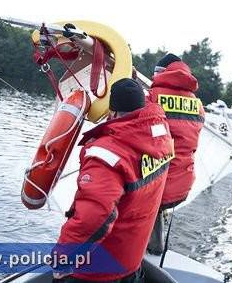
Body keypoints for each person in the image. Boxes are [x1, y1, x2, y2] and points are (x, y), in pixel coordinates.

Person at [54, 78, 174, 282]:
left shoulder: (108, 154)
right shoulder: (160, 139)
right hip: (130, 265)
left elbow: (92, 218)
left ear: (113, 112)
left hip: (97, 273)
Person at [145, 53, 204, 255]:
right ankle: (156, 247)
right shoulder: (198, 105)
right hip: (182, 185)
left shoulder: (152, 97)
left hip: (156, 184)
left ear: (160, 73)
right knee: (157, 207)